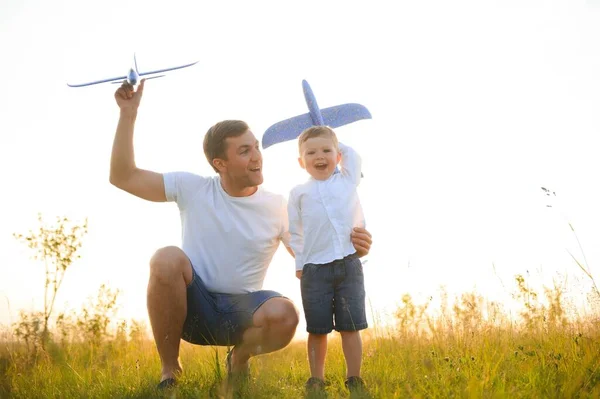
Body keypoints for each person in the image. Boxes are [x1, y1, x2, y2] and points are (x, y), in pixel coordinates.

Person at [109, 79, 373, 389]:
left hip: (243, 313)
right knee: (165, 258)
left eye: (257, 147)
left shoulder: (279, 206)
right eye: (245, 151)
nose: (257, 156)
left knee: (285, 313)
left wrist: (354, 245)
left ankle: (239, 359)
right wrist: (128, 113)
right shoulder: (192, 188)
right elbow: (123, 176)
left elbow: (313, 253)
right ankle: (170, 371)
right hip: (195, 309)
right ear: (220, 164)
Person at [287, 125, 369, 393]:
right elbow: (295, 232)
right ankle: (317, 378)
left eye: (326, 150)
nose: (319, 156)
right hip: (314, 269)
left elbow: (354, 157)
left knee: (351, 326)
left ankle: (354, 376)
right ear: (301, 161)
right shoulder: (299, 193)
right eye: (311, 152)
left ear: (338, 155)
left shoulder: (347, 180)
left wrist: (336, 142)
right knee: (317, 329)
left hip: (348, 263)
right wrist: (300, 264)